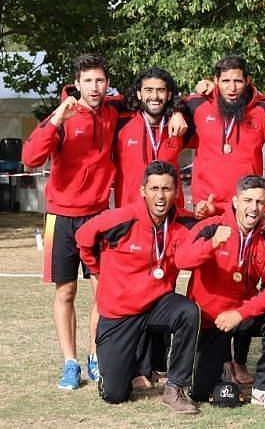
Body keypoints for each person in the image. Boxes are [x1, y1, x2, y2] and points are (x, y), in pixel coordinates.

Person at [22, 53, 118, 390]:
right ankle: (69, 362)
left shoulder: (113, 111)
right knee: (66, 291)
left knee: (104, 291)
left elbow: (151, 97)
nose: (95, 87)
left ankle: (96, 355)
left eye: (100, 80)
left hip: (98, 215)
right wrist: (56, 119)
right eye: (88, 81)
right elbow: (30, 159)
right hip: (59, 217)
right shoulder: (61, 116)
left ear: (107, 83)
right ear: (76, 84)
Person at [76, 161, 201, 413]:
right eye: (154, 188)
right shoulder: (119, 220)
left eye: (166, 189)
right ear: (142, 190)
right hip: (120, 313)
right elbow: (83, 239)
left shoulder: (183, 221)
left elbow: (217, 221)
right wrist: (100, 271)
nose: (160, 195)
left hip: (156, 304)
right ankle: (120, 371)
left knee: (189, 311)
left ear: (176, 192)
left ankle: (175, 388)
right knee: (115, 395)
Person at [178, 175, 265, 409]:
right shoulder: (210, 227)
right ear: (236, 201)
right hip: (210, 321)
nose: (254, 208)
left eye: (260, 202)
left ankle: (264, 389)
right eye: (248, 200)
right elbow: (181, 260)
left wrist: (241, 313)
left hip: (242, 316)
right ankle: (218, 369)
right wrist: (212, 245)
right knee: (199, 392)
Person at [184, 54, 265, 205]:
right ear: (216, 81)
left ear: (247, 81)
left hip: (246, 205)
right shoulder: (198, 104)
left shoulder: (264, 111)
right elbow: (167, 106)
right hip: (206, 204)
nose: (232, 88)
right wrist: (175, 112)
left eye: (238, 81)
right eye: (226, 81)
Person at [114, 67, 187, 207]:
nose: (155, 96)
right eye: (148, 90)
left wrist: (178, 110)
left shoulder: (181, 126)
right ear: (139, 94)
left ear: (169, 95)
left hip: (171, 213)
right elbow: (94, 103)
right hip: (130, 212)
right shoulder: (120, 124)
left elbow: (203, 104)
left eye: (161, 90)